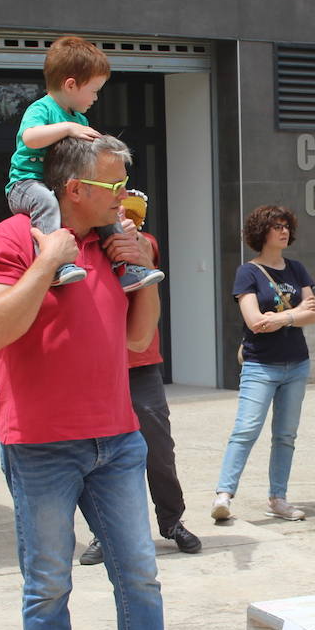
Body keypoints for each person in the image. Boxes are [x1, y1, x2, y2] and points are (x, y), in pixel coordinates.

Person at [0, 136, 208, 630]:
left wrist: (142, 272)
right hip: (40, 447)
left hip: (117, 440)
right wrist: (49, 260)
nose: (126, 196)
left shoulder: (114, 243)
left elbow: (137, 335)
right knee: (48, 587)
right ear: (75, 189)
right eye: (116, 186)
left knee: (141, 580)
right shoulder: (13, 239)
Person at [80, 229, 201, 566]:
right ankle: (102, 533)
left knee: (159, 449)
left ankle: (172, 522)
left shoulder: (138, 239)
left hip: (141, 364)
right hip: (97, 362)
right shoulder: (81, 246)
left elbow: (148, 249)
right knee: (98, 454)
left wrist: (126, 233)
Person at [6, 35, 162, 292]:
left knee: (107, 213)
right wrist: (67, 128)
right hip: (26, 184)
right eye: (94, 91)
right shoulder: (41, 109)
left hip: (57, 184)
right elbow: (30, 137)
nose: (96, 98)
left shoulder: (79, 118)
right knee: (45, 202)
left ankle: (125, 268)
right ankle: (53, 262)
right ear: (70, 85)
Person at [211, 205, 315, 523]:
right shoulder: (248, 272)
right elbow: (255, 321)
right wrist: (292, 316)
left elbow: (311, 314)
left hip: (297, 364)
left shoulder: (297, 269)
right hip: (261, 365)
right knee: (245, 430)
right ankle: (224, 496)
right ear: (262, 232)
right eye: (277, 227)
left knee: (286, 435)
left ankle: (278, 498)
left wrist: (282, 317)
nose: (284, 231)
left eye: (287, 226)